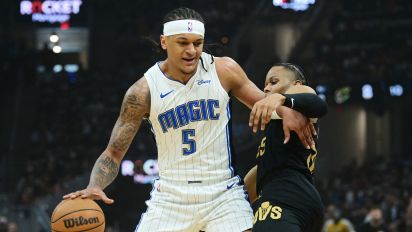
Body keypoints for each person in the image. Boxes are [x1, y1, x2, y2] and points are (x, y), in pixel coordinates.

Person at [64, 7, 314, 232]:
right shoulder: (143, 91)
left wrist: (286, 106)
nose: (192, 51)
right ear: (164, 42)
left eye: (198, 43)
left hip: (222, 194)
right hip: (171, 198)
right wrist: (96, 184)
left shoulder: (223, 70)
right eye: (183, 42)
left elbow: (263, 105)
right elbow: (113, 153)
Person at [244, 63, 328, 232]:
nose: (267, 88)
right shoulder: (275, 138)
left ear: (296, 84)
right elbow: (259, 176)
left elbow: (318, 104)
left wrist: (282, 98)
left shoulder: (299, 95)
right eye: (265, 84)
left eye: (273, 82)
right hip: (302, 200)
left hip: (283, 197)